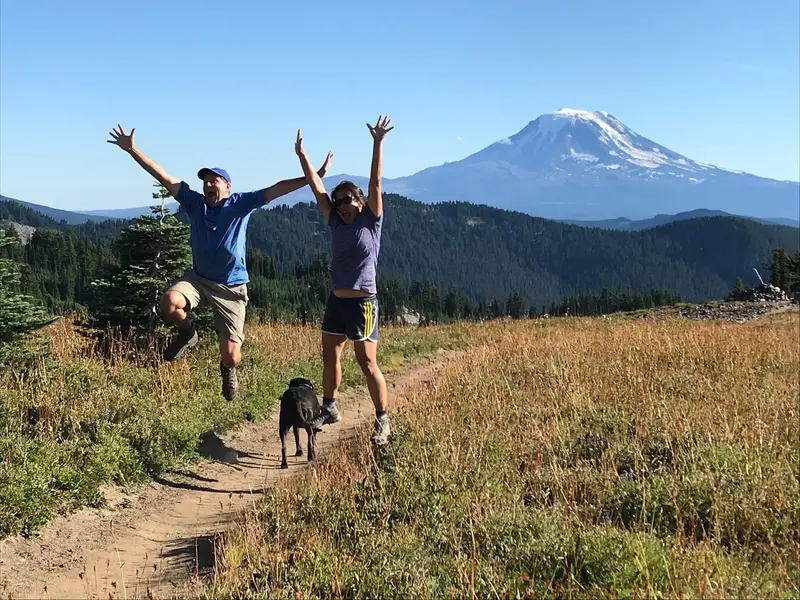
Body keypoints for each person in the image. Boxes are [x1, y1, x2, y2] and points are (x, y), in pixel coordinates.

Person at [107, 124, 332, 401]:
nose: (208, 184)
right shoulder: (195, 203)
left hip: (232, 288)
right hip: (198, 279)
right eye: (205, 181)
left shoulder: (240, 204)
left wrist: (313, 177)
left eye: (215, 180)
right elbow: (163, 176)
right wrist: (132, 150)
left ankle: (227, 369)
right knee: (168, 304)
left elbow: (276, 189)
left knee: (232, 356)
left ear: (227, 186)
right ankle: (188, 332)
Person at [294, 115, 393, 445]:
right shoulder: (335, 222)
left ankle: (382, 419)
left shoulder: (371, 222)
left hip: (364, 302)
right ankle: (330, 407)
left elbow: (376, 183)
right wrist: (303, 157)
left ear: (360, 202)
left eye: (347, 201)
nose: (341, 206)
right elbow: (316, 187)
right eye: (338, 203)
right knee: (330, 357)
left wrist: (377, 142)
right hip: (336, 302)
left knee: (366, 362)